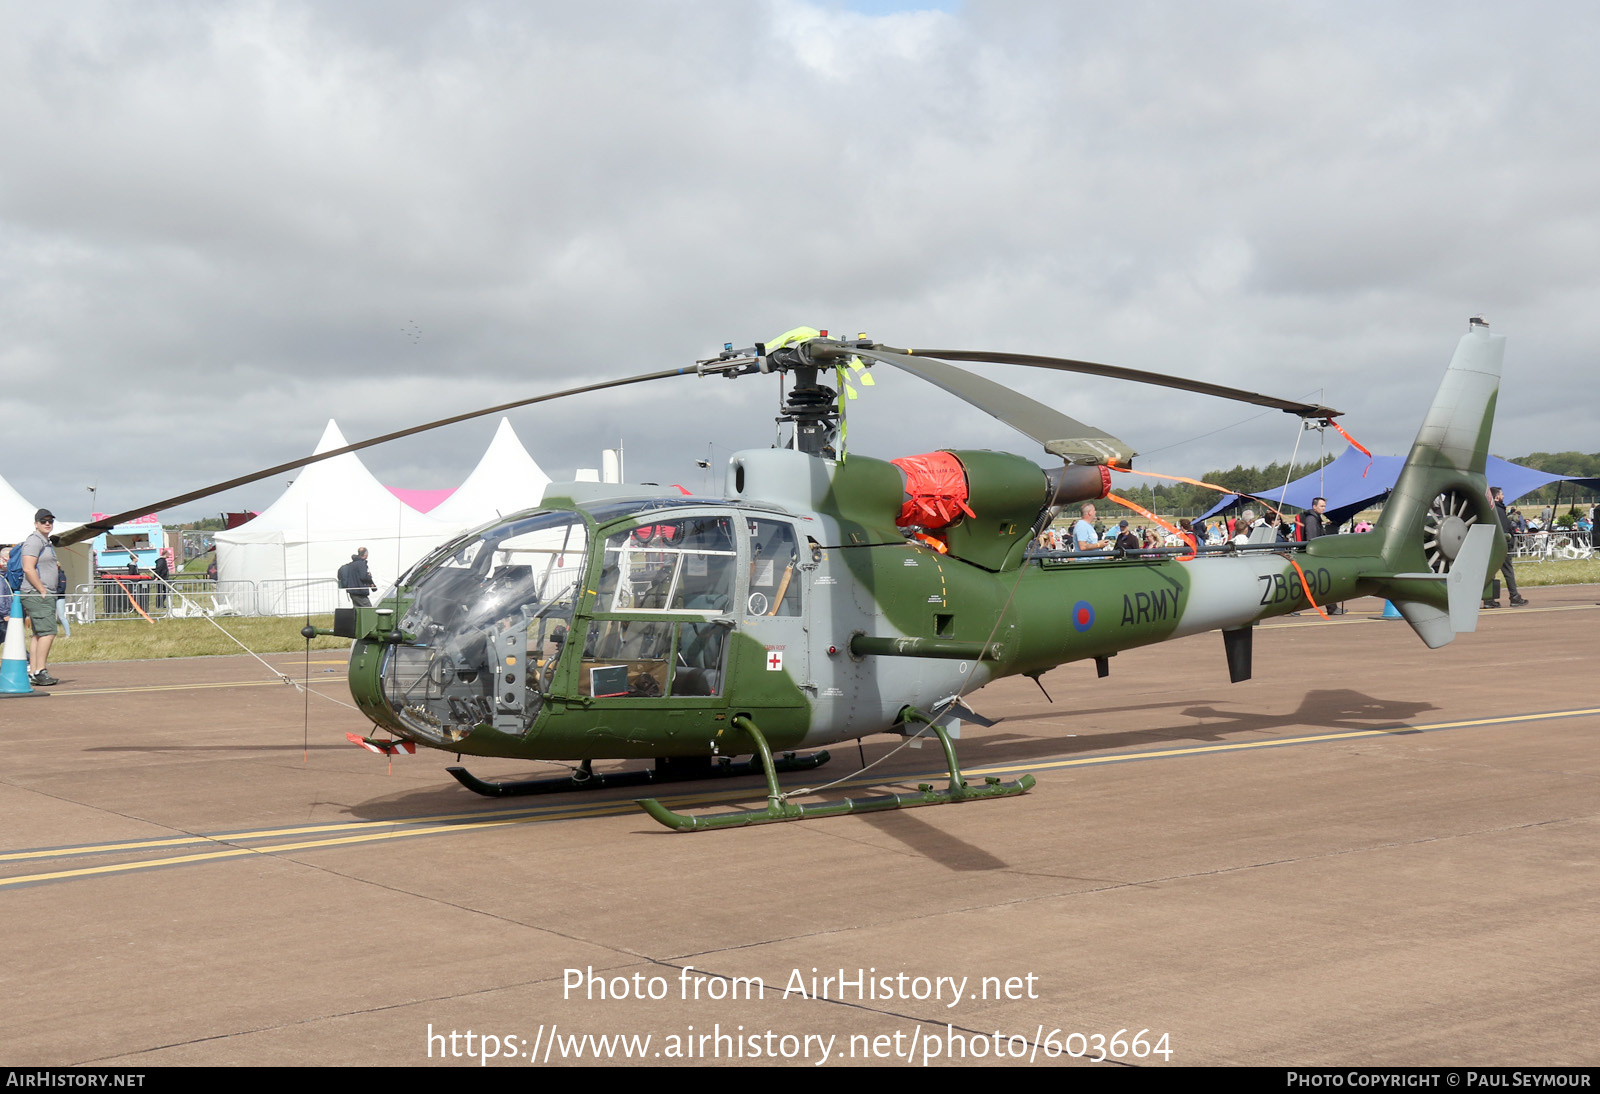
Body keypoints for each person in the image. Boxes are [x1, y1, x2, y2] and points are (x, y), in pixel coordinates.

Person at [19, 509, 61, 686]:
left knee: (39, 634)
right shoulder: (34, 541)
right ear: (36, 523)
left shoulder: (45, 542)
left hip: (40, 593)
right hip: (37, 594)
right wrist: (42, 589)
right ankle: (40, 670)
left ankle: (35, 671)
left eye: (50, 520)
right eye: (43, 521)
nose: (47, 523)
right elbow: (28, 567)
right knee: (49, 632)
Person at [1485, 487, 1528, 608]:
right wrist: (1509, 542)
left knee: (1491, 572)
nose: (1503, 496)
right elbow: (1504, 529)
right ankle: (1514, 597)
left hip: (1492, 545)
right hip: (1501, 546)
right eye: (1502, 494)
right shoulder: (1499, 510)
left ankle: (1489, 599)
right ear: (1497, 497)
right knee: (1508, 571)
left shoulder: (1491, 510)